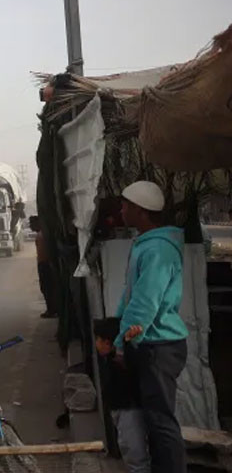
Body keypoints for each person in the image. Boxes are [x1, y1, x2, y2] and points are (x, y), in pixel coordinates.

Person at [115, 180, 188, 473]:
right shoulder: (147, 245)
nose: (121, 211)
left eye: (125, 206)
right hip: (150, 344)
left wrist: (122, 342)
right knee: (153, 419)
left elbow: (145, 304)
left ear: (140, 211)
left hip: (159, 346)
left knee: (161, 422)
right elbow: (130, 294)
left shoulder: (157, 250)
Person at [94, 317, 150, 473]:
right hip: (121, 410)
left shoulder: (123, 361)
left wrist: (127, 341)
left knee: (134, 454)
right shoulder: (112, 359)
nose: (96, 344)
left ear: (107, 343)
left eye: (98, 340)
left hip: (128, 411)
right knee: (130, 451)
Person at [30, 216, 57, 318]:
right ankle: (51, 309)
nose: (30, 226)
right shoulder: (41, 235)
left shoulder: (42, 236)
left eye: (32, 224)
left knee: (47, 288)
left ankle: (51, 310)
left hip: (45, 264)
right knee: (46, 288)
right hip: (44, 264)